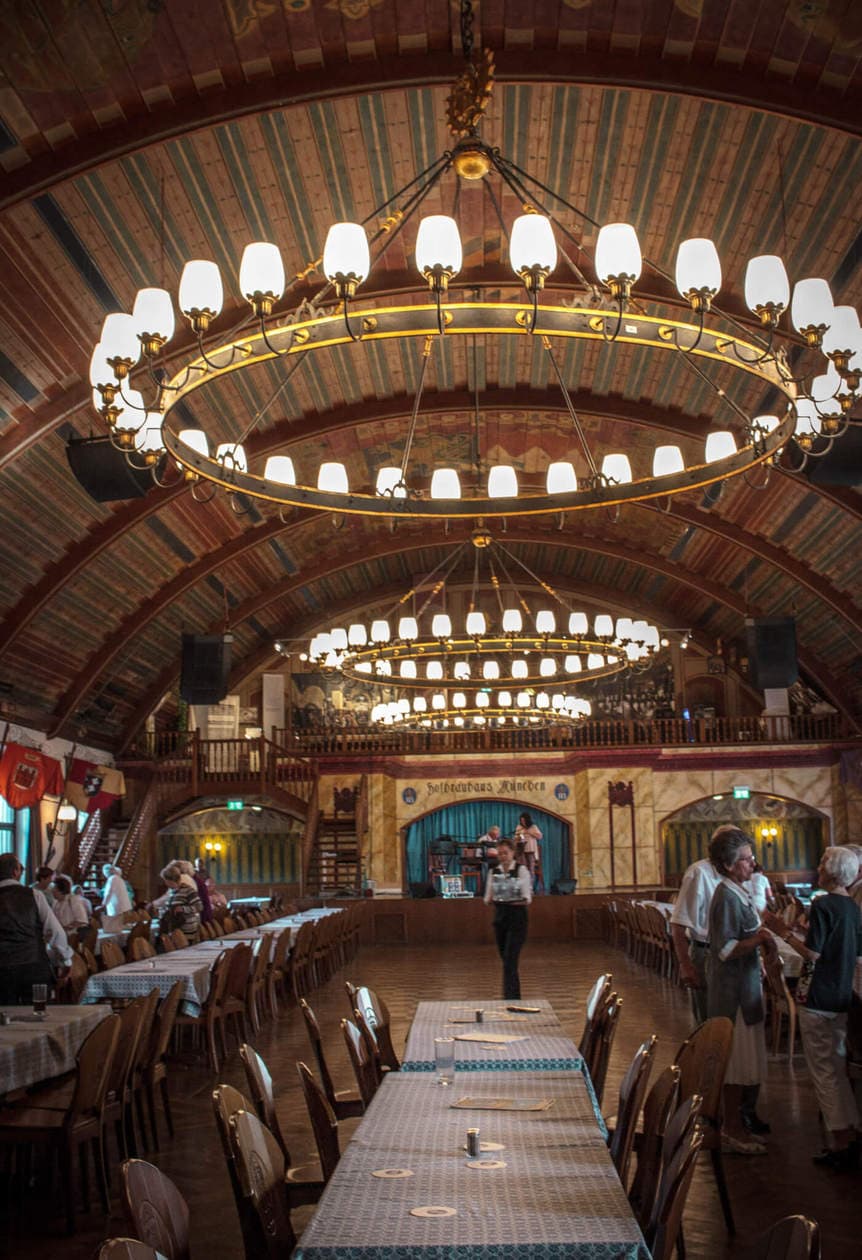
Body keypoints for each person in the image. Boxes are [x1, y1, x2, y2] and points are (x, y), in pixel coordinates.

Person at [764, 846, 862, 1170]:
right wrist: (805, 934)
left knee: (823, 1072)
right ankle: (852, 1132)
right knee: (837, 1067)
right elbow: (852, 951)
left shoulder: (822, 904)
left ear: (831, 871)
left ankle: (840, 1142)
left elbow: (813, 956)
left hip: (817, 995)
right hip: (841, 995)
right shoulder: (852, 906)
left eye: (822, 863)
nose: (818, 867)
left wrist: (783, 933)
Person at [706, 826, 778, 1154]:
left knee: (743, 1063)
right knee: (734, 1065)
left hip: (744, 989)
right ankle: (732, 1129)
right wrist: (759, 940)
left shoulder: (737, 891)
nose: (753, 864)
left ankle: (736, 1125)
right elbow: (724, 949)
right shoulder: (725, 896)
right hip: (732, 995)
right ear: (729, 864)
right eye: (747, 859)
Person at [0, 852, 72, 1004]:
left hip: (2, 969)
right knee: (38, 1012)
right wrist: (65, 961)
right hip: (33, 965)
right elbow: (54, 932)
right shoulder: (34, 895)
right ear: (15, 872)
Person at [670, 841, 722, 1025]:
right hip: (705, 952)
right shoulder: (698, 872)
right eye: (745, 857)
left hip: (733, 960)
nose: (751, 863)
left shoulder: (741, 876)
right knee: (708, 1021)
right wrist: (685, 964)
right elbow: (678, 924)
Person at [484, 838, 532, 1000]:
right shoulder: (493, 872)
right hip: (500, 918)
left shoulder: (521, 870)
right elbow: (487, 898)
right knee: (506, 960)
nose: (503, 856)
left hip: (517, 918)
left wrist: (512, 896)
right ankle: (512, 996)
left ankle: (511, 998)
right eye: (500, 853)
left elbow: (527, 897)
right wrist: (494, 897)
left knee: (510, 960)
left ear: (513, 853)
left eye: (506, 853)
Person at [158, 861, 203, 943]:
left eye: (165, 880)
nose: (165, 883)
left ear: (170, 880)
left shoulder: (188, 890)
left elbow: (199, 906)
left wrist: (183, 909)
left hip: (187, 929)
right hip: (175, 929)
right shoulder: (172, 891)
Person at [98, 862, 132, 932]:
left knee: (115, 927)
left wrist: (103, 904)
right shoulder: (119, 879)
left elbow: (108, 893)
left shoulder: (112, 879)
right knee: (121, 925)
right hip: (122, 905)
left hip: (116, 906)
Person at [514, 812, 542, 888]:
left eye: (524, 820)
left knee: (531, 868)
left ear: (527, 820)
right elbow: (515, 838)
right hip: (521, 850)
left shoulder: (533, 827)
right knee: (523, 868)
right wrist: (518, 837)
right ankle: (523, 886)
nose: (522, 822)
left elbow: (540, 836)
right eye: (521, 820)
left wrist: (529, 832)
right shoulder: (519, 827)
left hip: (531, 849)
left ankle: (530, 887)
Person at [191, 857, 214, 923]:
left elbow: (209, 880)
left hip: (204, 890)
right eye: (198, 864)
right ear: (195, 864)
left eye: (200, 864)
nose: (199, 865)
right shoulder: (193, 872)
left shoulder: (205, 872)